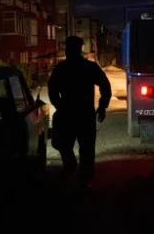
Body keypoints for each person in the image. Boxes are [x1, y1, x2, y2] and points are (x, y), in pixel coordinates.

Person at [48, 36, 112, 187]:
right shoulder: (89, 67)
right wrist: (102, 106)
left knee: (64, 144)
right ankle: (84, 178)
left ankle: (72, 167)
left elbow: (52, 91)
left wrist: (60, 107)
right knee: (87, 148)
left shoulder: (61, 68)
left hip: (67, 114)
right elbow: (105, 85)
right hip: (85, 115)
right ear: (80, 49)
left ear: (68, 49)